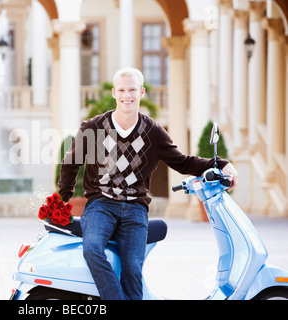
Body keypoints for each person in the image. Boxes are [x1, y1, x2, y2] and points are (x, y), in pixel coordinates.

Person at [58, 67, 238, 300]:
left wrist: (221, 164)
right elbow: (71, 163)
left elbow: (182, 162)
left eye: (132, 89)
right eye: (122, 90)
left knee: (132, 269)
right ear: (114, 93)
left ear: (141, 92)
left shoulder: (152, 131)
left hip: (135, 208)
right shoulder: (93, 127)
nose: (127, 95)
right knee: (92, 250)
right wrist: (63, 198)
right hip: (101, 204)